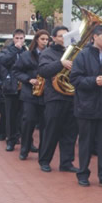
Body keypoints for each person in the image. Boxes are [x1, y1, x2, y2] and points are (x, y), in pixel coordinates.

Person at [70, 24, 102, 189]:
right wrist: (94, 81)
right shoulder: (82, 55)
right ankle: (83, 174)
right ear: (95, 37)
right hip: (86, 106)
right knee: (86, 143)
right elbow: (75, 79)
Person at [38, 26, 78, 173]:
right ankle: (44, 160)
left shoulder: (75, 52)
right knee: (51, 130)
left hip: (71, 97)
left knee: (70, 132)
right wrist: (60, 63)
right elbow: (43, 71)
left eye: (66, 36)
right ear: (53, 38)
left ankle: (66, 163)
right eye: (60, 36)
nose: (63, 38)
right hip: (55, 97)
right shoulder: (47, 53)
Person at [13, 30, 50, 160]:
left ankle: (43, 154)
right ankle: (25, 148)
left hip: (46, 94)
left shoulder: (50, 55)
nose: (45, 42)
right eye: (42, 39)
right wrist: (29, 79)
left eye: (47, 39)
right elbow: (16, 71)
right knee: (28, 122)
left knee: (45, 125)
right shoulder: (26, 55)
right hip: (30, 93)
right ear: (36, 40)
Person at [0, 29, 27, 152]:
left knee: (23, 116)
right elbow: (4, 62)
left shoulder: (26, 51)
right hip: (11, 87)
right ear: (13, 38)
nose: (19, 41)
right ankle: (10, 140)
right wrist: (15, 49)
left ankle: (23, 139)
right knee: (10, 115)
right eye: (17, 38)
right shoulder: (6, 51)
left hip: (24, 87)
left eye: (21, 38)